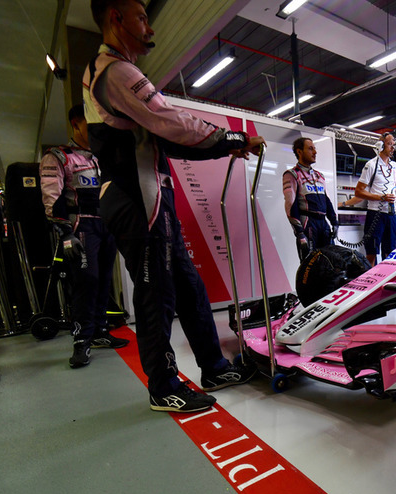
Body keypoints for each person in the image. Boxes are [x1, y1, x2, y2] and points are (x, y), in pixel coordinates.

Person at [84, 0, 265, 413]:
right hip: (137, 200)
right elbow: (172, 122)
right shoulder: (115, 71)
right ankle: (163, 385)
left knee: (187, 285)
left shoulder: (117, 72)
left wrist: (227, 150)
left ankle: (213, 366)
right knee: (156, 295)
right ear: (116, 17)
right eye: (141, 16)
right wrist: (234, 139)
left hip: (150, 197)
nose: (149, 25)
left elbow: (167, 140)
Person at [41, 105, 130, 370]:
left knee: (104, 282)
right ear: (75, 124)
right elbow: (51, 198)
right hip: (80, 228)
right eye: (89, 125)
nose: (94, 131)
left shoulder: (102, 157)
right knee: (86, 282)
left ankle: (100, 331)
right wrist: (65, 232)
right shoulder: (58, 157)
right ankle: (81, 340)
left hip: (107, 226)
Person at [282, 137, 338, 261]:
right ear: (299, 152)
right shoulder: (291, 175)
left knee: (331, 263)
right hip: (308, 224)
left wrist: (334, 222)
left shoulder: (319, 176)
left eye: (315, 149)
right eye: (310, 148)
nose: (315, 152)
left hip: (324, 225)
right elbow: (291, 205)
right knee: (310, 267)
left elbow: (327, 200)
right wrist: (300, 232)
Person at [354, 132, 396, 265]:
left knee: (391, 251)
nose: (392, 148)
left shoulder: (395, 166)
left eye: (393, 145)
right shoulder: (371, 165)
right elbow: (358, 191)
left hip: (392, 215)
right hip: (375, 213)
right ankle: (371, 281)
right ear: (380, 146)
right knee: (372, 252)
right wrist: (381, 197)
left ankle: (387, 281)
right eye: (389, 144)